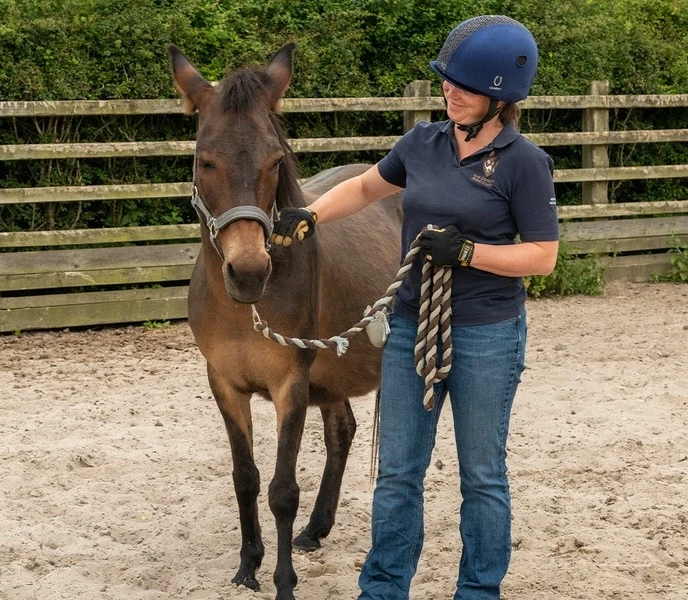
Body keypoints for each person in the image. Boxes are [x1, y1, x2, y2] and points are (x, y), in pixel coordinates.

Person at [270, 15, 559, 600]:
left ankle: (478, 591)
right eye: (448, 80)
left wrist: (470, 252)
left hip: (486, 334)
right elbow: (365, 187)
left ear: (502, 98)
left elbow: (542, 257)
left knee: (482, 477)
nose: (450, 91)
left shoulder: (525, 163)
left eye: (465, 86)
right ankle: (382, 588)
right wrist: (311, 214)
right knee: (398, 471)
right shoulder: (422, 143)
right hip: (409, 326)